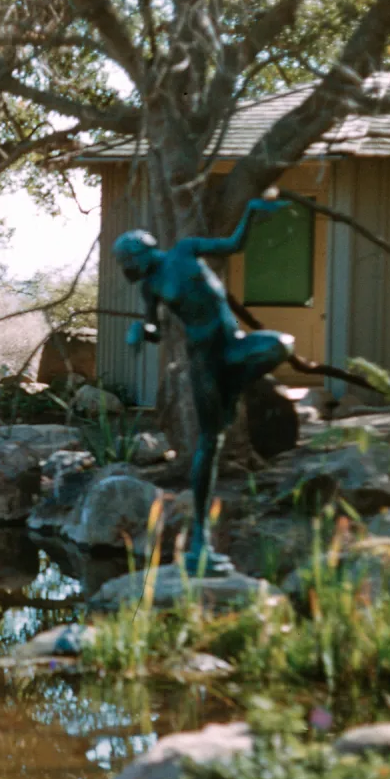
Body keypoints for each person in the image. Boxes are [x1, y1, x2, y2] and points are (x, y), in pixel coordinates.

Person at [114, 196, 295, 576]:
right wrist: (137, 331)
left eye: (125, 262)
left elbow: (233, 245)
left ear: (139, 254)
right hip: (205, 361)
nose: (125, 270)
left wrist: (250, 211)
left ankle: (236, 389)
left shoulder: (186, 250)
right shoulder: (151, 287)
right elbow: (155, 330)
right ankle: (200, 539)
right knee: (211, 444)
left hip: (234, 346)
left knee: (283, 344)